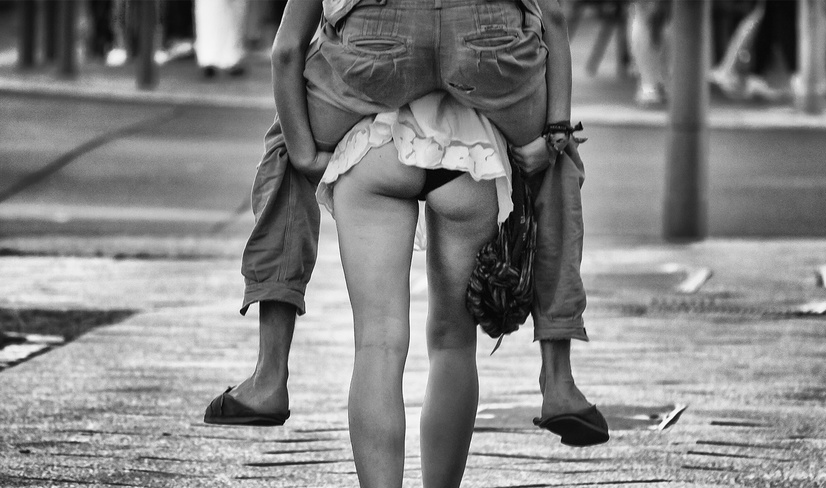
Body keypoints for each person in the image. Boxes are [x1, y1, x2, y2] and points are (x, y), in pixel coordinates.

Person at [203, 0, 609, 447]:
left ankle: (269, 375)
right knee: (554, 159)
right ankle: (559, 380)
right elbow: (554, 18)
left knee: (289, 130)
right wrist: (555, 132)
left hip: (379, 43)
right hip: (486, 41)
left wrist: (303, 152)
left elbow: (285, 52)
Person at [321, 93, 509, 488]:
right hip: (467, 149)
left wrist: (302, 147)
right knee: (453, 342)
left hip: (374, 143)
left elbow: (294, 59)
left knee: (377, 343)